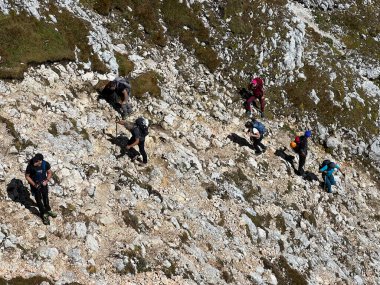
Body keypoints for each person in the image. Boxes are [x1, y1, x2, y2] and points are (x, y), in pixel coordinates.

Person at [25, 153, 57, 225]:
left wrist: (46, 180)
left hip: (44, 183)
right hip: (35, 185)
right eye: (34, 160)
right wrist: (34, 184)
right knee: (38, 200)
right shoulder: (30, 166)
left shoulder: (45, 164)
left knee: (45, 197)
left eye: (36, 161)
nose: (34, 162)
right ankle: (43, 215)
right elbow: (27, 176)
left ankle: (48, 210)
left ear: (40, 161)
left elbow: (49, 173)